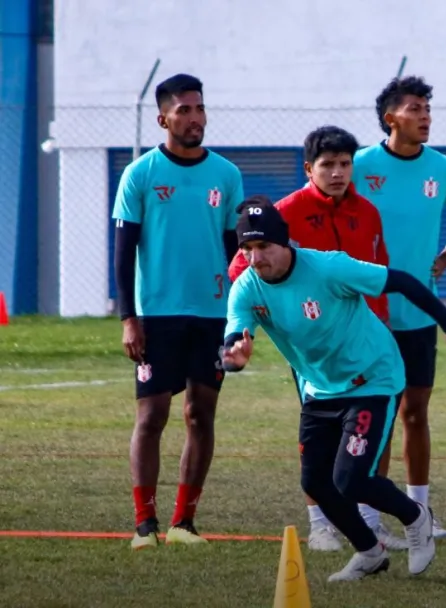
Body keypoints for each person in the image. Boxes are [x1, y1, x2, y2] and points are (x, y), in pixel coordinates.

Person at [221, 196, 446, 581]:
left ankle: (415, 516)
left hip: (373, 378)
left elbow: (402, 281)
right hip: (321, 389)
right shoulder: (246, 288)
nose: (256, 258)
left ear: (284, 242)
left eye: (264, 246)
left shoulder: (328, 267)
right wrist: (233, 357)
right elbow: (231, 340)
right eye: (248, 248)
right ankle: (369, 552)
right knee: (315, 481)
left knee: (351, 478)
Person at [227, 125, 407, 552]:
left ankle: (370, 521)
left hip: (365, 344)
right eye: (328, 165)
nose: (338, 173)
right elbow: (243, 270)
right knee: (318, 442)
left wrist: (380, 321)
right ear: (309, 169)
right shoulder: (284, 212)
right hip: (312, 350)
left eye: (346, 164)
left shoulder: (367, 211)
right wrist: (254, 326)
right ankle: (321, 524)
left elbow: (379, 269)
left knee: (373, 433)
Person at [112, 73, 245, 550]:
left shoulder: (226, 175)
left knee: (200, 415)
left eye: (199, 108)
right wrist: (129, 318)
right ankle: (144, 524)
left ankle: (184, 522)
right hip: (157, 315)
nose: (194, 118)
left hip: (211, 316)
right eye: (184, 110)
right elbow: (123, 253)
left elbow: (237, 253)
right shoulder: (140, 174)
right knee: (152, 415)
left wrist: (240, 319)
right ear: (163, 119)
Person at [353, 75, 446, 538]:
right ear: (391, 118)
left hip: (419, 315)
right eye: (415, 108)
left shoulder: (443, 169)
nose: (425, 116)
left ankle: (420, 513)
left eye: (427, 108)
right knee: (377, 416)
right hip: (367, 314)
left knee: (415, 412)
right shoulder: (359, 165)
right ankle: (368, 517)